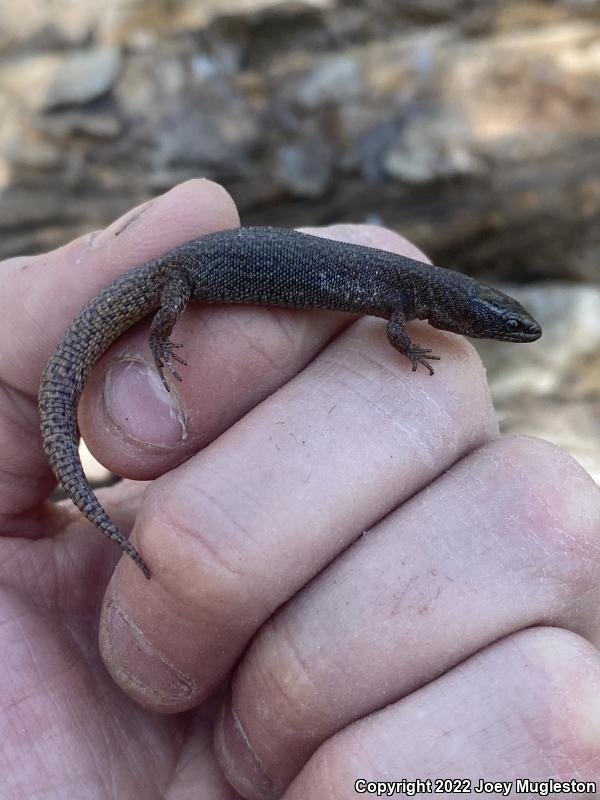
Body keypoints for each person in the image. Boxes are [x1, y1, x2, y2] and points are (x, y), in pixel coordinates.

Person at [1, 179, 599, 800]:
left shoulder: (408, 297)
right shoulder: (403, 305)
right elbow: (396, 335)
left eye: (502, 326)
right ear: (463, 312)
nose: (507, 332)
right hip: (178, 279)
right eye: (498, 326)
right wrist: (159, 341)